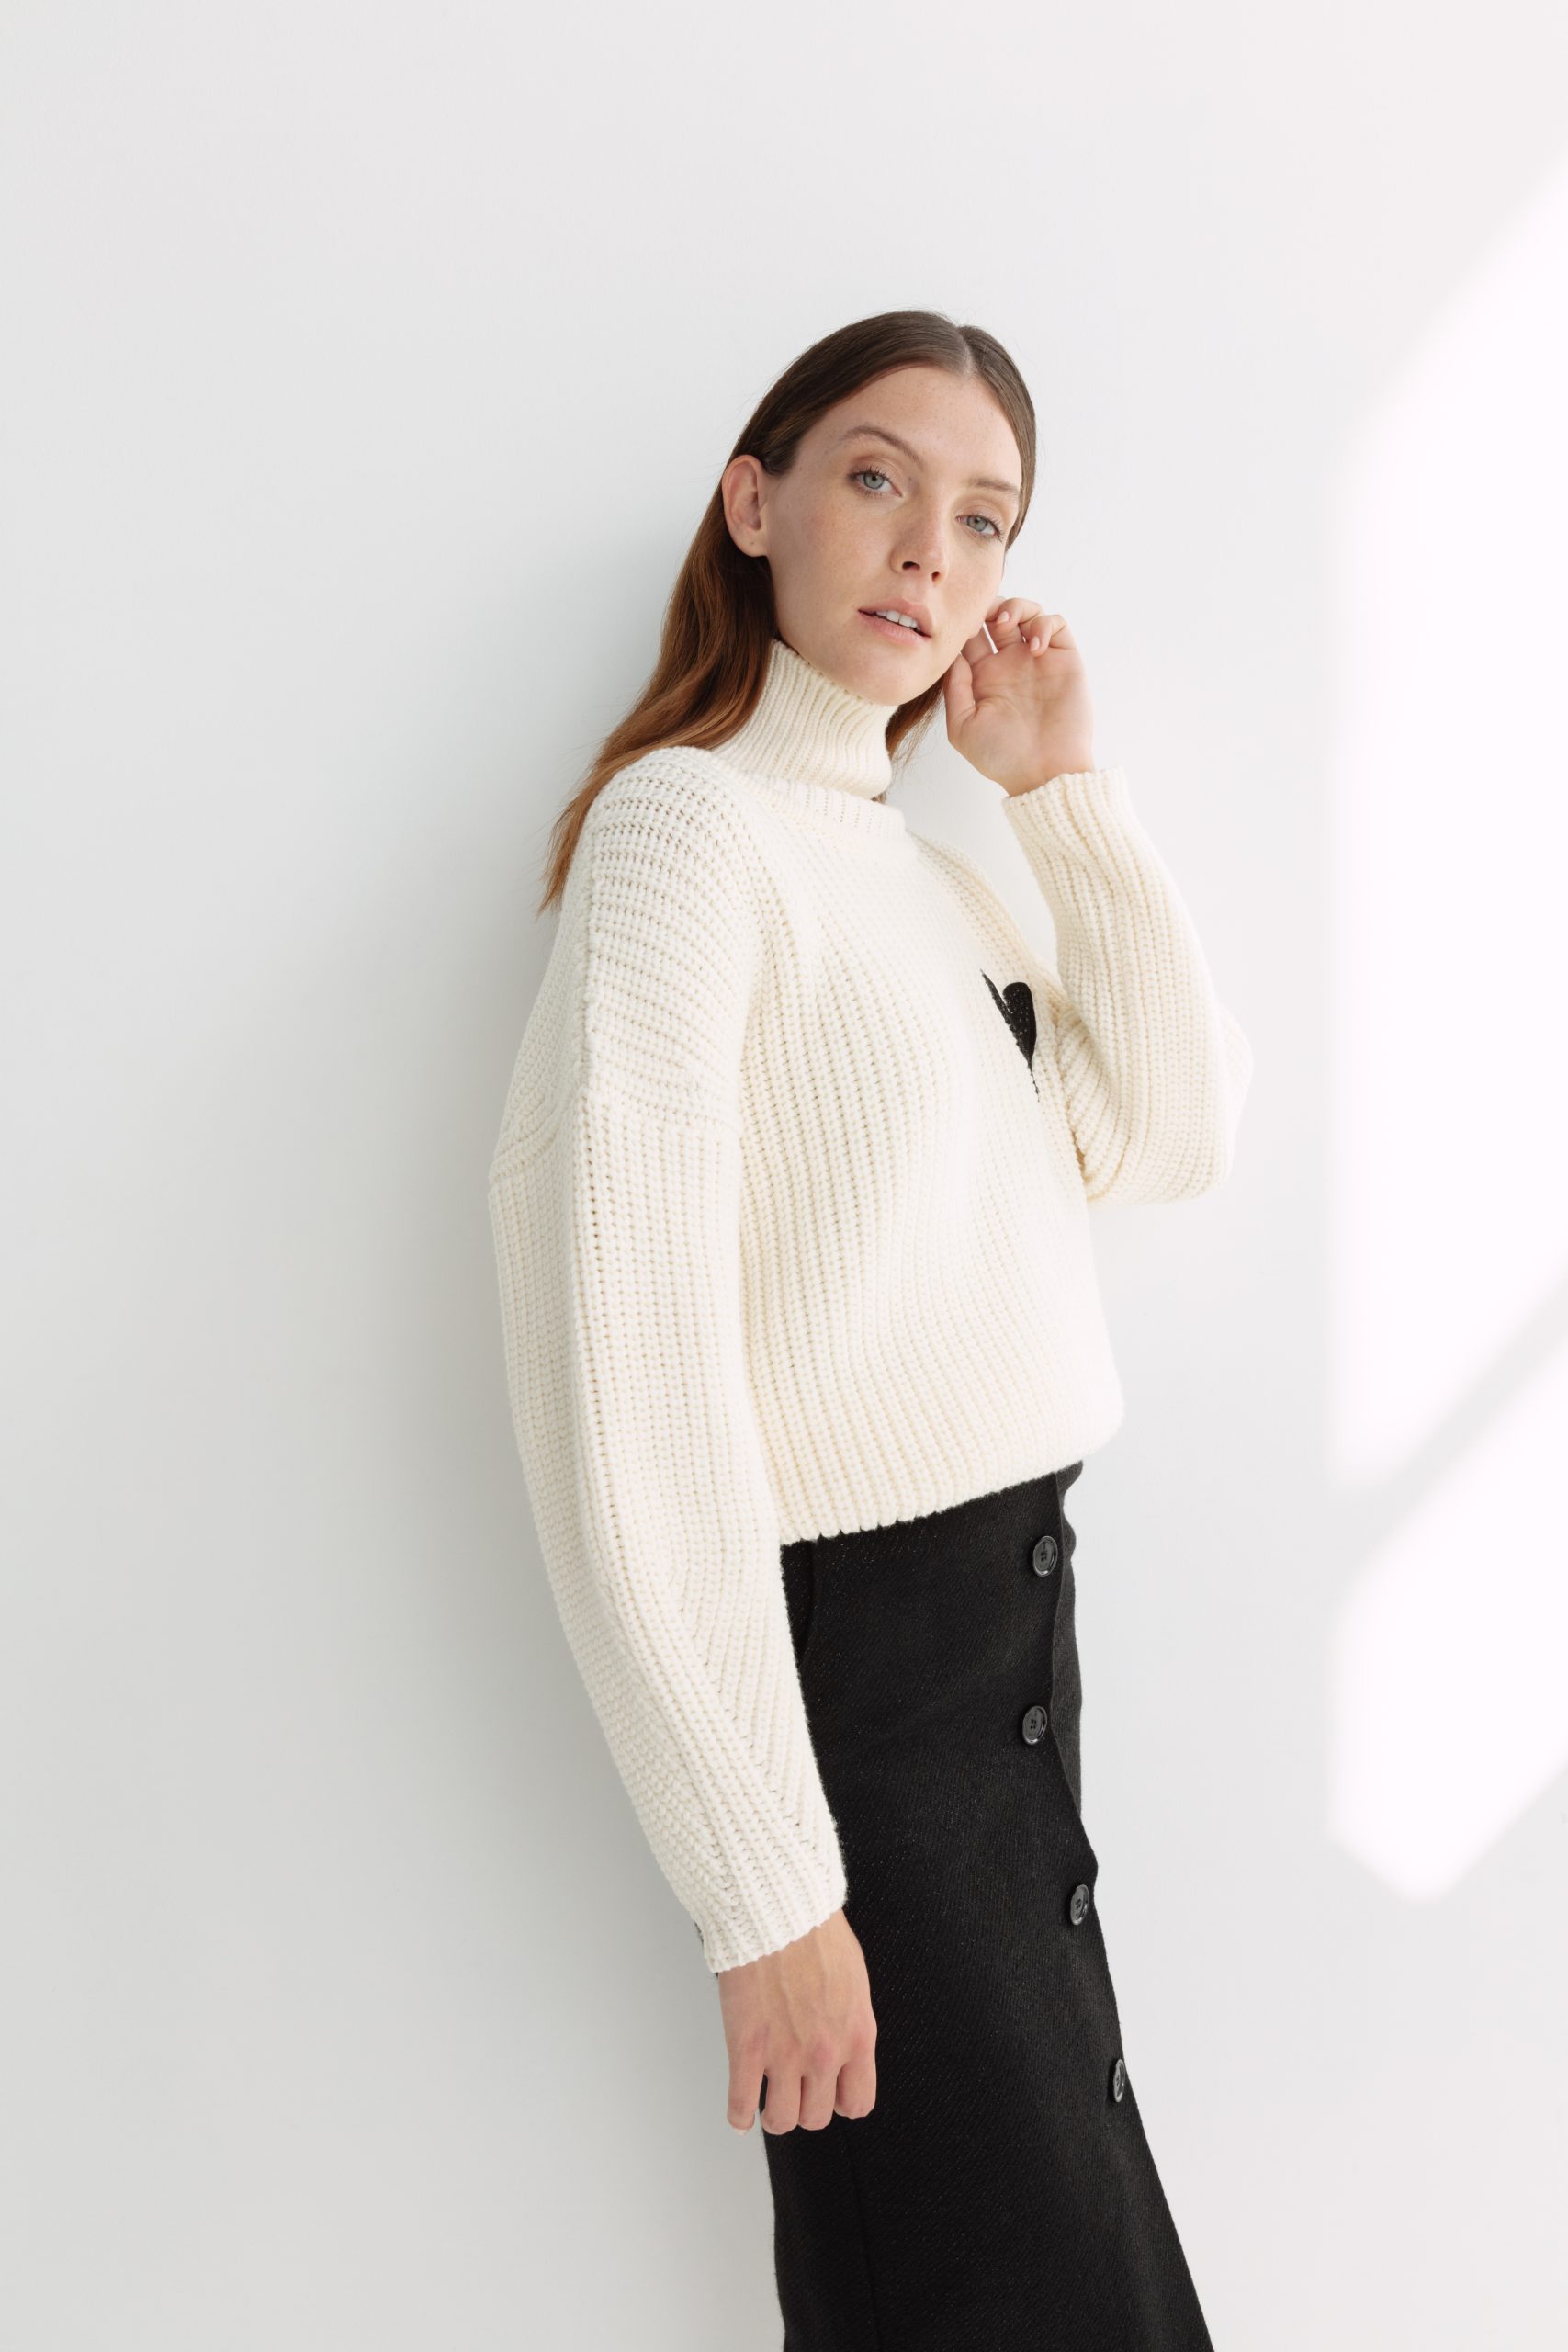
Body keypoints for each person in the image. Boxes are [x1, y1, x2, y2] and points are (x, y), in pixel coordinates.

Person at [485, 307, 1251, 2348]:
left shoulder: (919, 877)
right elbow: (630, 1386)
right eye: (876, 478)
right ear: (755, 503)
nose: (929, 547)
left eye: (983, 518)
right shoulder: (686, 836)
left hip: (1011, 1666)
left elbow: (1165, 1131)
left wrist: (1057, 793)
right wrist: (766, 1891)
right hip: (864, 1703)